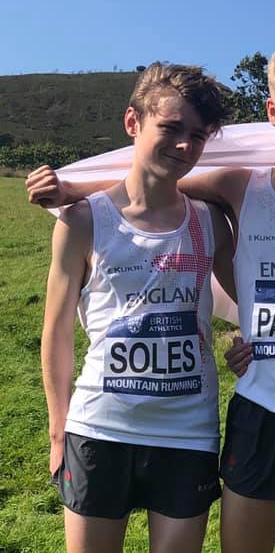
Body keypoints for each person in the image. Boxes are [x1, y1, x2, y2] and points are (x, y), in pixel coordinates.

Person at [29, 37, 275, 553]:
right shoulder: (235, 188)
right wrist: (76, 193)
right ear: (274, 111)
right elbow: (156, 182)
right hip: (205, 416)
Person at [38, 62, 234, 552]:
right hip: (100, 428)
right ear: (133, 123)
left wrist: (247, 341)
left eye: (198, 135)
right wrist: (58, 428)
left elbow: (253, 301)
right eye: (170, 128)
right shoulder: (83, 220)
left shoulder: (211, 222)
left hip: (187, 434)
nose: (184, 145)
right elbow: (57, 332)